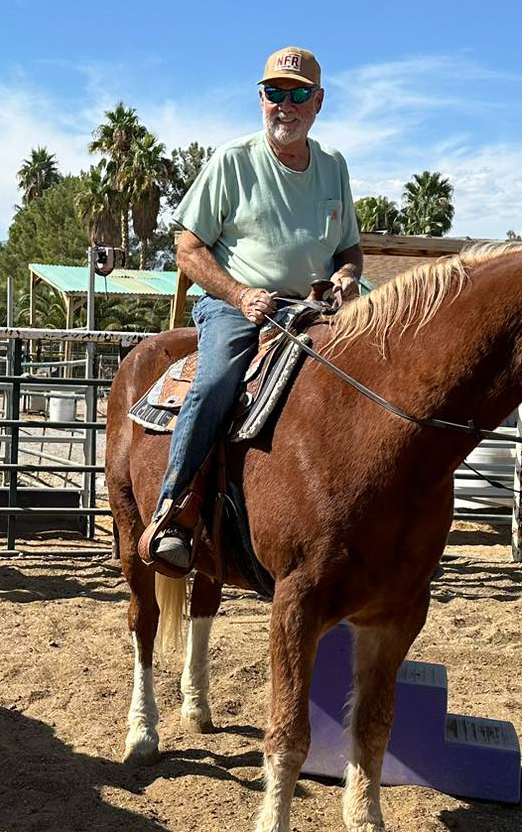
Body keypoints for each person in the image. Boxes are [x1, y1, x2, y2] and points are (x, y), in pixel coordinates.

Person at [141, 46, 364, 571]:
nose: (284, 104)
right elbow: (188, 247)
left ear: (319, 101)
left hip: (314, 306)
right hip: (238, 306)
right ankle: (175, 510)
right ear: (260, 98)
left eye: (298, 93)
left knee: (382, 368)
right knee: (217, 380)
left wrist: (348, 275)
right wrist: (240, 294)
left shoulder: (333, 167)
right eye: (273, 93)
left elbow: (349, 249)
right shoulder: (232, 160)